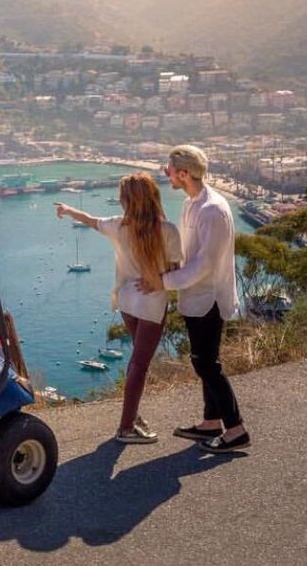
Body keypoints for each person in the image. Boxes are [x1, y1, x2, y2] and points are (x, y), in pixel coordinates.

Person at [55, 172, 182, 444]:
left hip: (126, 300)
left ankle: (132, 416)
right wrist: (157, 281)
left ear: (126, 200)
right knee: (140, 364)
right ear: (152, 197)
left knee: (136, 362)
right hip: (151, 303)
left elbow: (90, 220)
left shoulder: (117, 226)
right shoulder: (168, 230)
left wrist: (67, 210)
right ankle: (126, 427)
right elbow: (174, 272)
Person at [140, 145, 250, 453]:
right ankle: (211, 422)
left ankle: (236, 429)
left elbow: (204, 266)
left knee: (207, 364)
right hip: (195, 296)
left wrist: (161, 282)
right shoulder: (193, 204)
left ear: (184, 173)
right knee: (203, 361)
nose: (166, 175)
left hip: (209, 298)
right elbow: (191, 255)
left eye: (169, 170)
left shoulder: (212, 210)